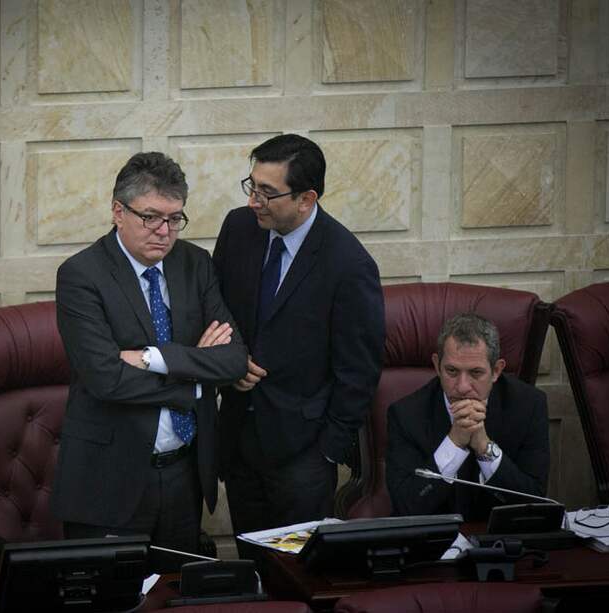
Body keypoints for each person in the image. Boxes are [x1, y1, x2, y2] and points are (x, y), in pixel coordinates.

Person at [51, 152, 248, 563]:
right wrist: (195, 378)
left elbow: (232, 360)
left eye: (175, 219)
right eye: (151, 217)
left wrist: (154, 358)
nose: (164, 232)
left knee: (178, 598)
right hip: (108, 478)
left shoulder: (194, 264)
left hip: (184, 474)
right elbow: (105, 377)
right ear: (118, 211)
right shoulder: (81, 275)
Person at [212, 134, 385, 545]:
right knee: (252, 569)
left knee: (296, 576)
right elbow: (216, 309)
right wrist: (229, 362)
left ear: (306, 199)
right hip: (238, 441)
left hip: (302, 456)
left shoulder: (349, 264)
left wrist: (327, 450)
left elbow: (358, 371)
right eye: (252, 186)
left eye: (268, 193)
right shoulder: (238, 228)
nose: (254, 200)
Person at [386, 313, 550, 521]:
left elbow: (534, 502)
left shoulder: (528, 406)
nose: (463, 387)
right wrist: (454, 443)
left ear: (496, 371)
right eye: (452, 371)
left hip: (501, 542)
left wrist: (484, 447)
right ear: (437, 366)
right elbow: (406, 507)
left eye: (475, 373)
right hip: (436, 545)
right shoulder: (406, 415)